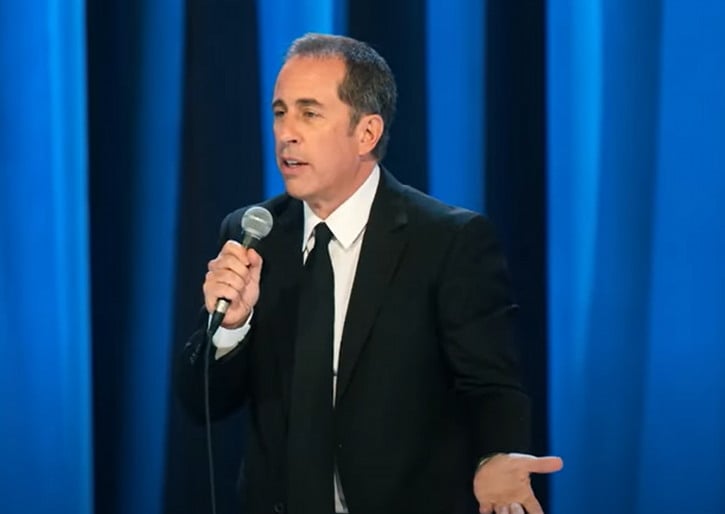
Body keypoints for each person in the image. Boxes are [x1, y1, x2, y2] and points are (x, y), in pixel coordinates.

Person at [175, 33, 562, 514]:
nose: (286, 133)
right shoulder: (253, 233)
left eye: (309, 113)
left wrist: (495, 456)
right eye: (280, 112)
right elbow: (202, 404)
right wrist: (230, 329)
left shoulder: (446, 241)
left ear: (367, 133)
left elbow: (490, 386)